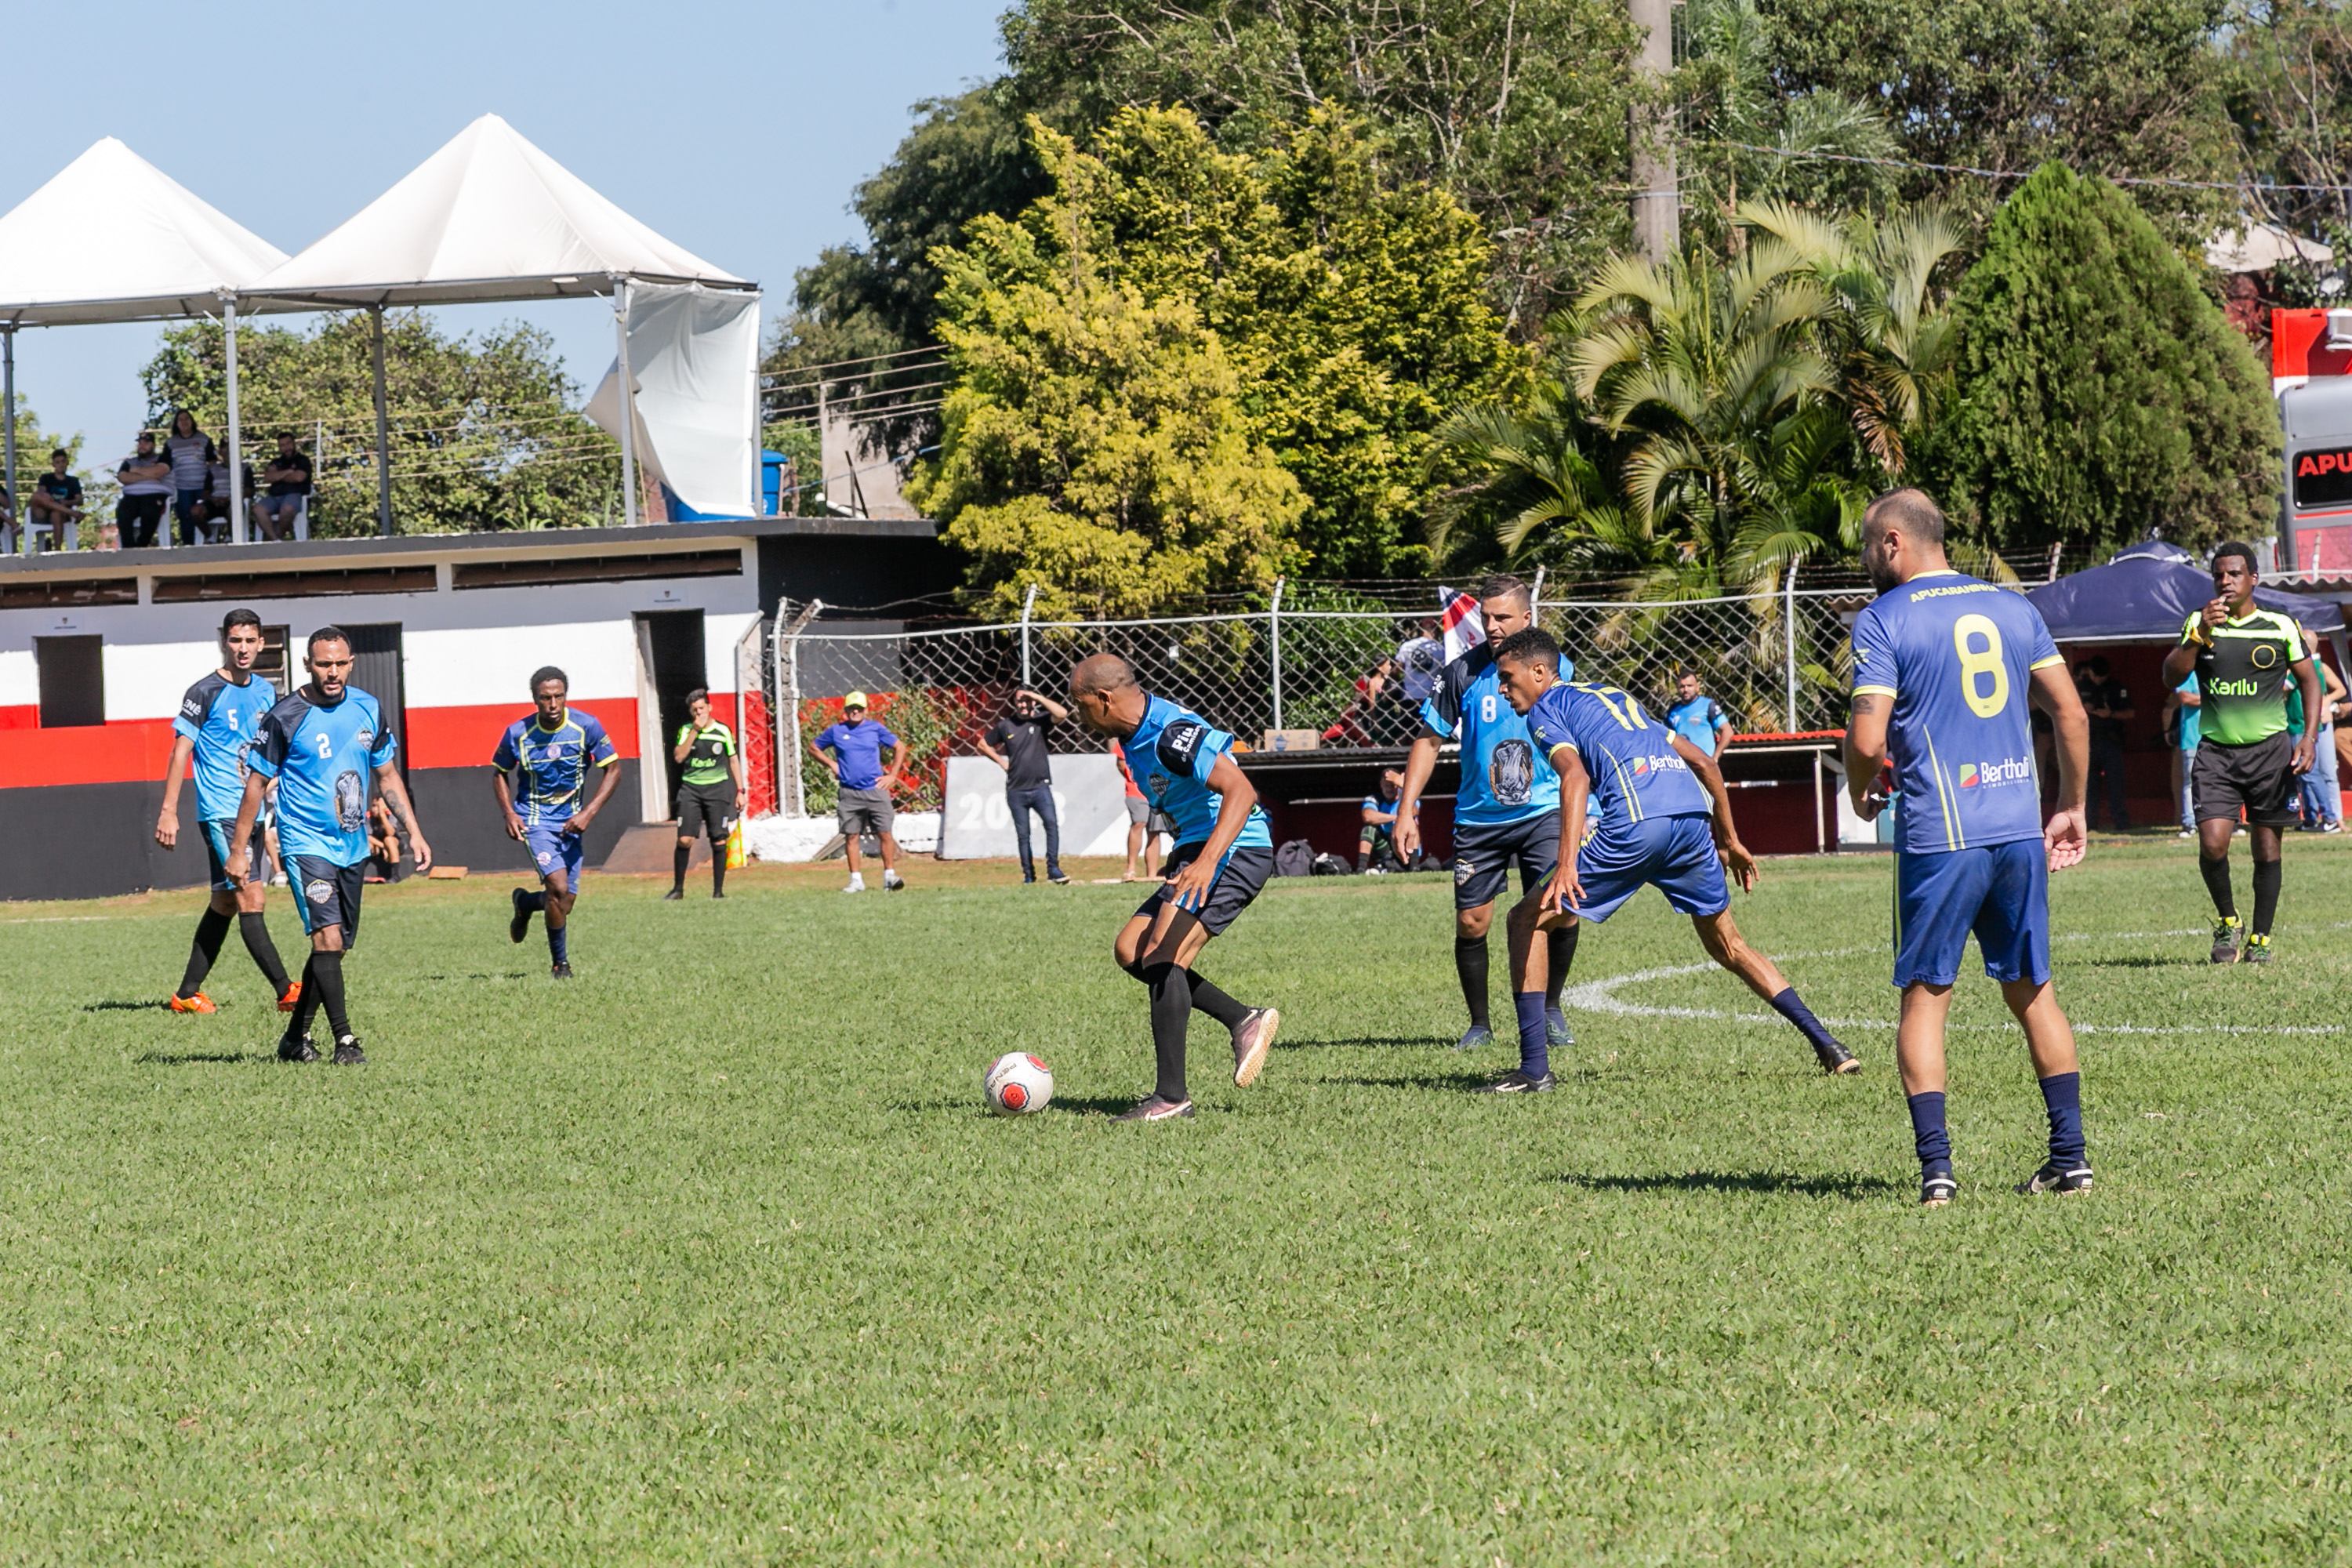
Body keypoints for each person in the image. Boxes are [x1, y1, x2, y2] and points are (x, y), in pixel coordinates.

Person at [1843, 488, 2092, 1206]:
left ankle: (1937, 1172)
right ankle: (2070, 1160)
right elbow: (2070, 713)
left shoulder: (1884, 620)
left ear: (1894, 542)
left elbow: (1866, 738)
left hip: (1940, 836)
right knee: (2033, 992)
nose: (1867, 557)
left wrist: (1862, 787)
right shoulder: (2015, 607)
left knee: (1926, 1000)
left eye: (1869, 544)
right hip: (2016, 829)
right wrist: (2070, 805)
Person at [1489, 628, 1857, 1093]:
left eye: (1507, 676)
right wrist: (1731, 838)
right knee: (1730, 945)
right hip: (1689, 821)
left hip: (1637, 823)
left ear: (1539, 671)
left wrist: (1566, 864)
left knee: (1525, 919)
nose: (1503, 689)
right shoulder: (1614, 696)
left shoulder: (1546, 709)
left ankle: (1534, 1070)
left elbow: (1575, 778)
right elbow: (1705, 763)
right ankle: (1830, 1046)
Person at [1069, 652, 1280, 1121]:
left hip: (1233, 849)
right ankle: (1241, 1018)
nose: (1078, 717)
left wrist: (1206, 863)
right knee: (1132, 950)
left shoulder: (1171, 735)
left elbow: (1241, 791)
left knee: (1165, 956)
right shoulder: (1133, 734)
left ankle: (1171, 1098)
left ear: (1104, 699)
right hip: (1196, 847)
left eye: (1081, 706)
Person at [226, 625, 433, 1065]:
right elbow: (256, 784)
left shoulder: (368, 708)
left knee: (334, 947)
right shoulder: (285, 716)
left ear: (351, 663)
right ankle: (345, 1041)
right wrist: (239, 851)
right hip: (306, 844)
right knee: (328, 937)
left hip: (353, 847)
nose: (333, 672)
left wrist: (412, 830)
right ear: (308, 665)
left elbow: (388, 775)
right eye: (324, 664)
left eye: (340, 663)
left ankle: (293, 1039)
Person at [1395, 575, 1574, 1054]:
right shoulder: (1461, 674)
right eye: (1486, 616)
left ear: (1527, 618)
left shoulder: (1558, 668)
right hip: (1480, 819)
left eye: (1503, 617)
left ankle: (1551, 1007)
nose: (1492, 626)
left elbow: (1580, 734)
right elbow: (1428, 741)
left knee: (1557, 911)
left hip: (1545, 811)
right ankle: (1479, 1023)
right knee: (1473, 922)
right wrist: (1406, 809)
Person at [2161, 543, 2324, 964]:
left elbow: (2310, 681)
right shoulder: (2200, 623)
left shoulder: (2280, 626)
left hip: (2270, 754)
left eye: (2234, 574)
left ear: (2253, 578)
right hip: (2216, 753)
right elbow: (2171, 676)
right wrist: (2198, 638)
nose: (2225, 582)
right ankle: (2229, 922)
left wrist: (2308, 736)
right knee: (2213, 843)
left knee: (2267, 849)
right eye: (2219, 575)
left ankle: (2261, 939)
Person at [153, 609, 297, 1014]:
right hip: (220, 812)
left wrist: (272, 782)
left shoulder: (267, 692)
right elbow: (181, 750)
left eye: (251, 641)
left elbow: (271, 750)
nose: (243, 649)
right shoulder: (203, 691)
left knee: (225, 903)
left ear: (262, 643)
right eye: (236, 640)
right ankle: (287, 991)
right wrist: (169, 811)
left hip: (251, 812)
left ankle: (186, 994)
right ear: (224, 642)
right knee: (252, 896)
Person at [494, 666, 620, 975]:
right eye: (545, 698)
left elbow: (614, 768)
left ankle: (525, 904)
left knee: (564, 901)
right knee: (558, 886)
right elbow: (499, 772)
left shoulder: (586, 726)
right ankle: (560, 964)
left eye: (558, 697)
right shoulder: (517, 733)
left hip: (572, 823)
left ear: (566, 696)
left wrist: (588, 812)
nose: (552, 704)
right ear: (535, 699)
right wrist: (510, 813)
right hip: (535, 821)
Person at [811, 691, 905, 893]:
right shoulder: (836, 731)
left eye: (860, 708)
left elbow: (899, 747)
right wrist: (831, 764)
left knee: (885, 833)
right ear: (845, 710)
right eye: (852, 708)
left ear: (866, 710)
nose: (856, 711)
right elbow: (814, 747)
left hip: (875, 790)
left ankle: (889, 876)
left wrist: (892, 775)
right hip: (849, 792)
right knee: (851, 836)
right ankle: (856, 880)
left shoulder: (875, 729)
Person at [978, 688, 1072, 884]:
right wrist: (1001, 761)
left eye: (1026, 701)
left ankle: (1053, 869)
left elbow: (1062, 713)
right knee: (1023, 835)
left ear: (1032, 703)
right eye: (1019, 701)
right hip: (1016, 790)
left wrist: (1037, 696)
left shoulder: (1040, 721)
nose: (1022, 705)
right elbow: (982, 744)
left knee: (1051, 825)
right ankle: (1029, 876)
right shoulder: (1006, 725)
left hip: (1040, 787)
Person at [668, 688, 746, 901]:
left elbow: (733, 760)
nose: (698, 713)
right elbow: (678, 757)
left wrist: (741, 791)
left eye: (702, 708)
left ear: (710, 708)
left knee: (719, 840)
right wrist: (694, 731)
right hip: (691, 790)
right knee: (684, 839)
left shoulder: (723, 731)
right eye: (694, 710)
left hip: (717, 790)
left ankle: (718, 892)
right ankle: (678, 889)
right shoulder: (686, 730)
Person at [2292, 628, 2346, 833]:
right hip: (2310, 724)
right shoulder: (2312, 666)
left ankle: (2333, 818)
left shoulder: (2317, 667)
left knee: (2318, 772)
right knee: (2309, 774)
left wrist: (2326, 700)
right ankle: (2311, 818)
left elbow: (2340, 689)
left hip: (2311, 724)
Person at [2075, 656, 2134, 830]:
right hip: (2088, 741)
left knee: (2115, 784)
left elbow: (2130, 713)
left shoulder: (2116, 687)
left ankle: (2121, 822)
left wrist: (2110, 714)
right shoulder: (2082, 687)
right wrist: (2082, 709)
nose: (2096, 679)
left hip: (2111, 740)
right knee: (2089, 786)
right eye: (2094, 675)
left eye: (2100, 676)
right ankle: (2088, 824)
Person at [162, 410, 216, 548]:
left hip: (202, 486)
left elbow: (213, 462)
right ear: (176, 424)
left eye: (187, 418)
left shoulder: (204, 439)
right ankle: (188, 547)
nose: (184, 422)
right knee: (185, 518)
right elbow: (164, 465)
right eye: (180, 419)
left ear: (192, 421)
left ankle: (210, 542)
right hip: (181, 487)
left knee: (202, 515)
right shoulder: (170, 443)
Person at [115, 433, 172, 549]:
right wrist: (149, 475)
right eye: (140, 443)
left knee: (149, 511)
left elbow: (159, 472)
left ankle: (142, 545)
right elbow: (123, 477)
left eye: (146, 443)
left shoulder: (163, 458)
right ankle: (128, 548)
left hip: (155, 495)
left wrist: (135, 471)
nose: (142, 446)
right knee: (123, 512)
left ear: (154, 445)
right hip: (132, 496)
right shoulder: (129, 462)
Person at [1358, 766, 1416, 873]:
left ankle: (1414, 868)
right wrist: (1398, 818)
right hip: (1384, 848)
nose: (1389, 789)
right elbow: (1368, 816)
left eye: (1393, 785)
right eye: (1386, 785)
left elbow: (1414, 812)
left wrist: (1404, 786)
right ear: (1381, 784)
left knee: (1413, 823)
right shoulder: (1375, 799)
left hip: (1404, 846)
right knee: (1368, 828)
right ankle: (1361, 869)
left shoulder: (1406, 799)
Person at [255, 434, 312, 541]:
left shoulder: (303, 460)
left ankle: (279, 535)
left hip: (295, 494)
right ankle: (275, 540)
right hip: (274, 496)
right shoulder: (276, 462)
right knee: (258, 509)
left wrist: (277, 475)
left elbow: (299, 478)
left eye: (288, 443)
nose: (286, 447)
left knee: (287, 508)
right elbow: (268, 477)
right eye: (282, 445)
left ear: (294, 443)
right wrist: (288, 472)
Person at [1664, 670, 1732, 757]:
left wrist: (1715, 757)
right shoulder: (1673, 710)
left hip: (1704, 763)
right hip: (1682, 764)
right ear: (1677, 688)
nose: (1686, 690)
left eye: (1689, 686)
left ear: (1697, 687)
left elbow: (1728, 731)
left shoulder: (1708, 705)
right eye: (1682, 686)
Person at [1111, 738, 1151, 881]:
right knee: (1138, 823)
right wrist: (1134, 779)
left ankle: (1152, 875)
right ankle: (1130, 869)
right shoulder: (1127, 739)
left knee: (1155, 831)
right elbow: (1121, 763)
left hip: (1157, 789)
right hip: (1136, 791)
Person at [2167, 672, 2201, 837]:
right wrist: (2213, 699)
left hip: (2218, 737)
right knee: (2190, 782)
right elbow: (2184, 698)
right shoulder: (2187, 675)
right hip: (2192, 738)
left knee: (2223, 782)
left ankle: (2231, 823)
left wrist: (2199, 699)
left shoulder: (2217, 669)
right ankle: (2189, 823)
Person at [27, 450, 83, 550]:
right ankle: (73, 513)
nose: (61, 465)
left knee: (56, 513)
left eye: (63, 461)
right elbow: (41, 492)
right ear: (53, 464)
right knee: (37, 496)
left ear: (67, 463)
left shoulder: (73, 481)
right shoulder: (46, 478)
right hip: (43, 512)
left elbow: (79, 500)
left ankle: (57, 550)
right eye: (58, 462)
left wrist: (68, 502)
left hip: (61, 516)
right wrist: (46, 495)